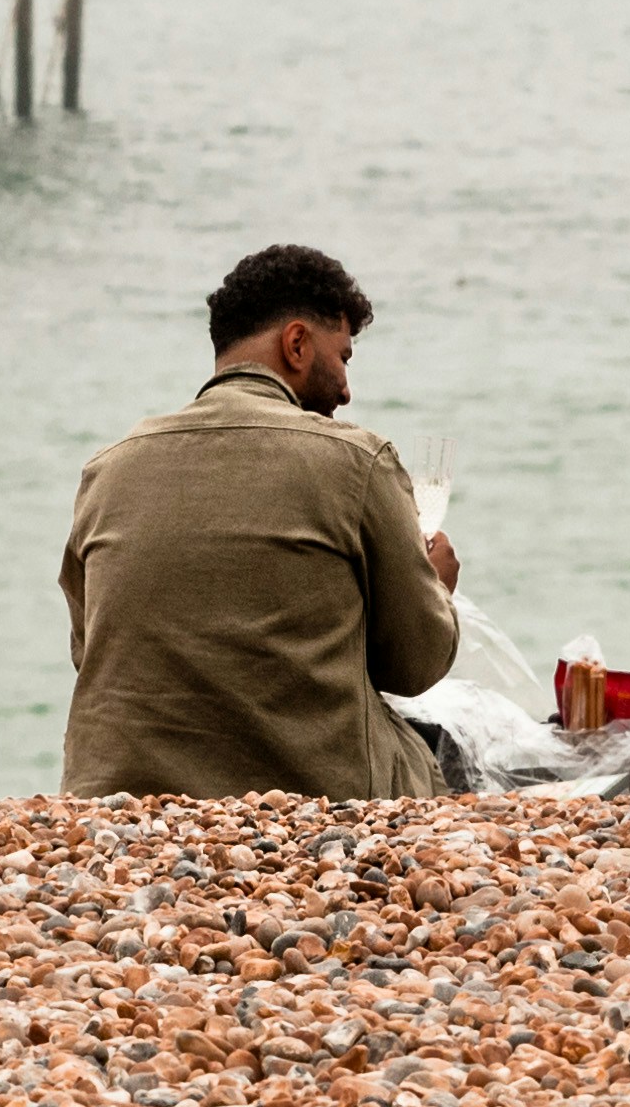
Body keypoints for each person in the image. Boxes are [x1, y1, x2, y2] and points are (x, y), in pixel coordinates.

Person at [61, 244, 464, 800]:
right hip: (311, 796)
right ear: (296, 343)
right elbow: (412, 668)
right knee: (440, 756)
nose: (346, 390)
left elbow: (91, 649)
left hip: (115, 799)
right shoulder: (355, 461)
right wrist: (437, 590)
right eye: (343, 358)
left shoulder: (107, 470)